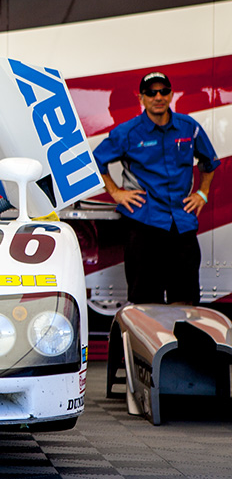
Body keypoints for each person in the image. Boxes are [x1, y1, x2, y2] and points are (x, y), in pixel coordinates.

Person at [92, 72, 220, 305]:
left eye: (163, 91)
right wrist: (115, 192)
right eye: (151, 93)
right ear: (142, 98)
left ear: (171, 95)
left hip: (182, 223)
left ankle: (180, 331)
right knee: (145, 303)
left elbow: (209, 162)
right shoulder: (128, 132)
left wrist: (203, 193)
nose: (158, 97)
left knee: (185, 300)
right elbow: (95, 161)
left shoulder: (188, 127)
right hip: (144, 224)